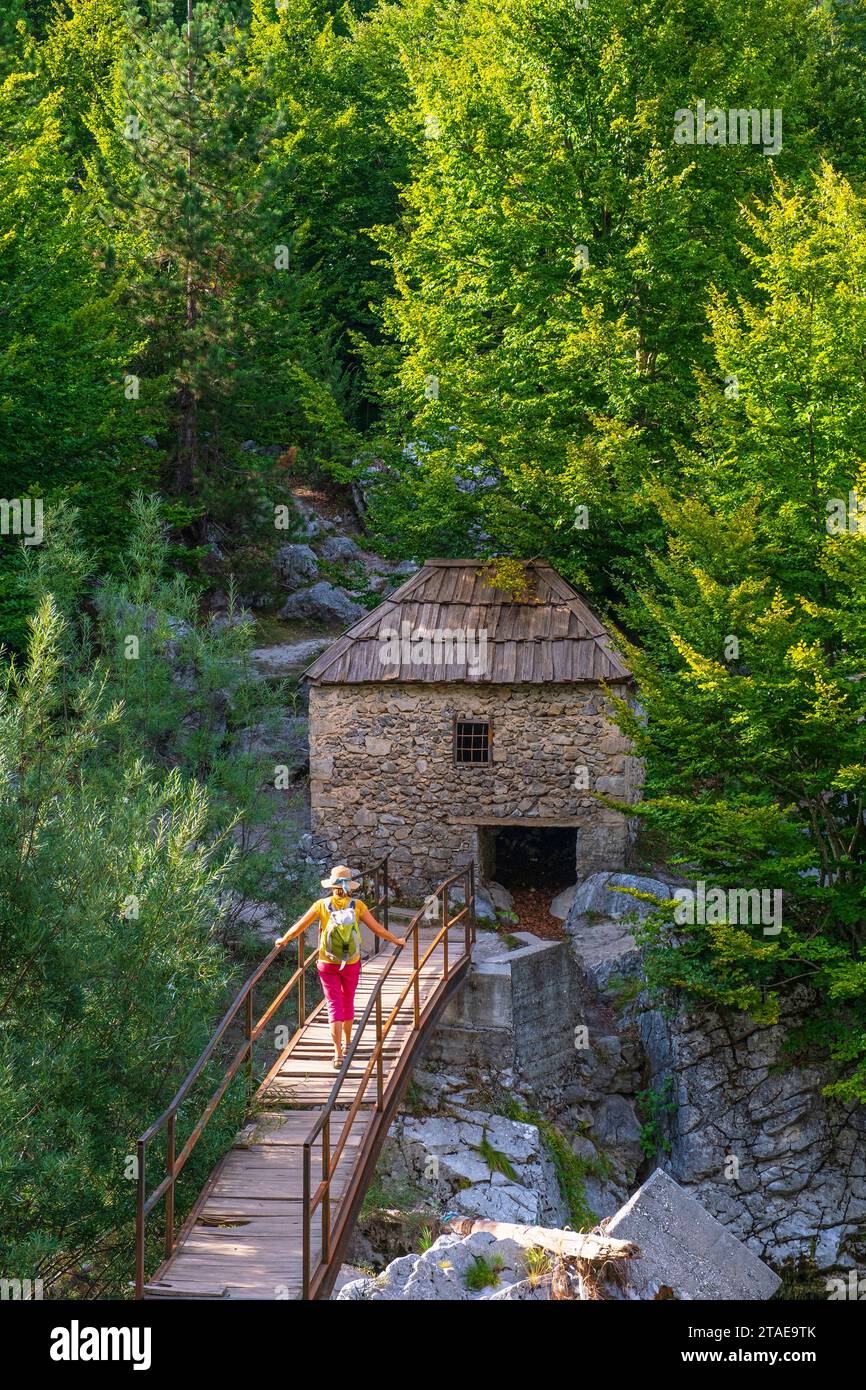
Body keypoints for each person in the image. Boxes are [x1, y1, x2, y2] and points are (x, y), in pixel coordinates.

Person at [275, 866, 406, 1069]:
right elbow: (377, 929)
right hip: (351, 962)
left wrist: (284, 939)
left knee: (334, 1005)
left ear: (332, 886)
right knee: (348, 1001)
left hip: (327, 962)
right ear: (349, 887)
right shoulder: (358, 905)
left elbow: (300, 925)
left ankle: (337, 1054)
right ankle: (347, 1043)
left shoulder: (321, 905)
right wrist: (395, 940)